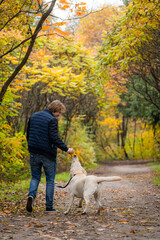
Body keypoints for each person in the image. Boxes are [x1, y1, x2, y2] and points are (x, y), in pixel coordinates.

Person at [26, 100, 74, 213]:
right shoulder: (52, 119)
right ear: (55, 110)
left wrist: (31, 146)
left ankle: (31, 195)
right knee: (50, 180)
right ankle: (49, 207)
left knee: (35, 177)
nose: (59, 115)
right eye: (59, 113)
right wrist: (67, 149)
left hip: (33, 151)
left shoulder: (34, 116)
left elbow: (28, 133)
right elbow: (54, 138)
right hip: (47, 154)